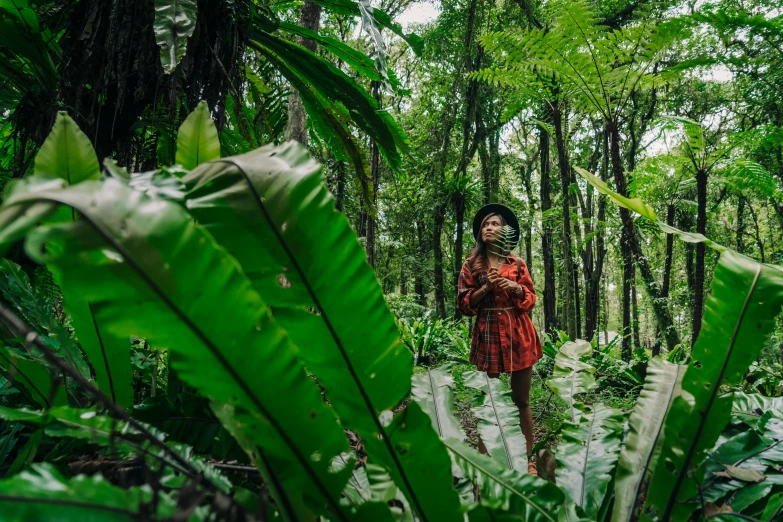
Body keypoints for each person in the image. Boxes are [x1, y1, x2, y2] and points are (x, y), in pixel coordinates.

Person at [457, 203, 543, 476]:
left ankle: (527, 459)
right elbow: (464, 305)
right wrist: (486, 287)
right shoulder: (471, 264)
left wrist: (516, 288)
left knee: (522, 400)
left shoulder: (517, 263)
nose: (489, 227)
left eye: (494, 223)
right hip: (488, 334)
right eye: (485, 224)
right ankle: (486, 460)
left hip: (519, 334)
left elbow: (530, 299)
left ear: (505, 231)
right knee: (490, 400)